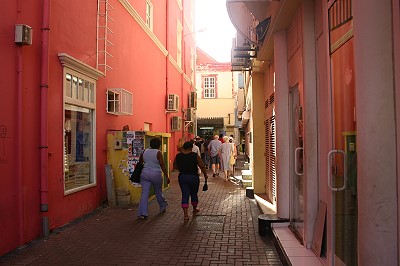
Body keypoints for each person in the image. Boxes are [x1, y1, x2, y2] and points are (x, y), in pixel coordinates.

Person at [173, 141, 208, 222]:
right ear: (191, 148)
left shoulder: (178, 156)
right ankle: (195, 208)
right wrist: (205, 174)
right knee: (194, 193)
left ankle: (185, 215)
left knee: (185, 194)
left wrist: (182, 169)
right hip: (193, 177)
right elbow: (202, 165)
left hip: (182, 177)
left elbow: (175, 166)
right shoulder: (194, 155)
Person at [137, 137, 170, 220]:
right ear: (159, 145)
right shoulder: (158, 153)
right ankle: (162, 206)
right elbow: (162, 165)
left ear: (150, 144)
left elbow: (140, 161)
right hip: (156, 174)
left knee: (144, 193)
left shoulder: (144, 151)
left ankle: (143, 213)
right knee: (158, 192)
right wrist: (166, 175)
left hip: (145, 174)